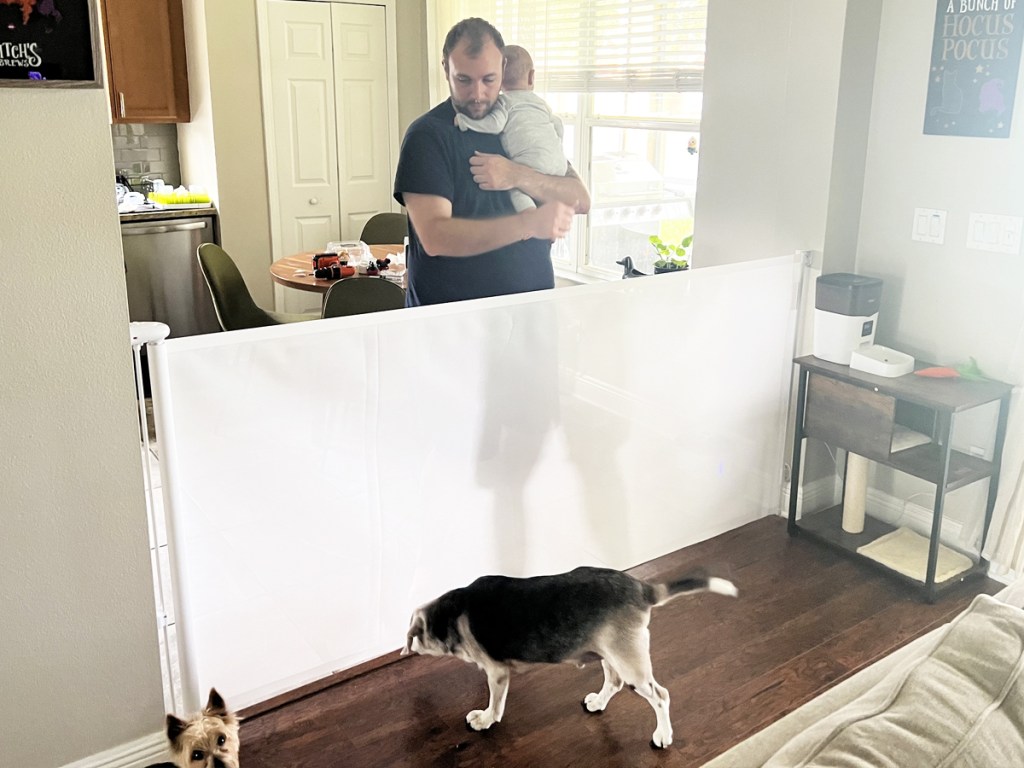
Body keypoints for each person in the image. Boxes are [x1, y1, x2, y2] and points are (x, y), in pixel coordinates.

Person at [393, 18, 590, 307]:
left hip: (531, 313)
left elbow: (580, 199)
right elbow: (436, 236)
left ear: (503, 70)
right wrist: (529, 223)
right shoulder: (427, 136)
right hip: (452, 324)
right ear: (446, 69)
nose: (477, 94)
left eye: (489, 79)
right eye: (464, 80)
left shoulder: (524, 121)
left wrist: (517, 176)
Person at [454, 45, 566, 213]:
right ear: (531, 77)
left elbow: (495, 124)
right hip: (559, 164)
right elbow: (557, 124)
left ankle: (529, 216)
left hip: (531, 163)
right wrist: (557, 143)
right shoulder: (539, 102)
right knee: (542, 190)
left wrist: (466, 122)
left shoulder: (504, 102)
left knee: (514, 187)